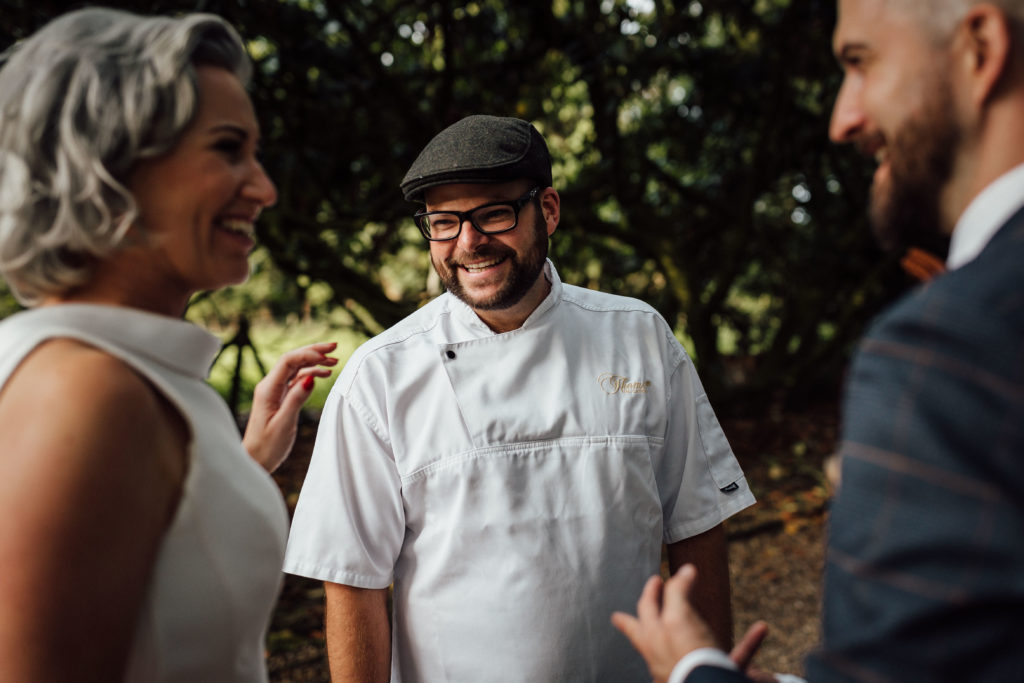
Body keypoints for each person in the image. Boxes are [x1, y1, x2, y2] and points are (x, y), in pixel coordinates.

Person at [612, 0, 1024, 681]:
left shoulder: (945, 349)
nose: (843, 120)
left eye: (861, 63)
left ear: (979, 47)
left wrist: (695, 668)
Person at [283, 113, 756, 681]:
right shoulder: (381, 376)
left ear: (548, 210)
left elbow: (697, 523)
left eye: (493, 214)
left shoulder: (639, 337)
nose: (469, 242)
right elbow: (353, 582)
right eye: (443, 222)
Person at [0, 8, 337, 681]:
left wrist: (239, 464)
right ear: (108, 164)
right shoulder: (85, 391)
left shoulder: (127, 375)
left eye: (257, 154)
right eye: (226, 149)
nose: (265, 188)